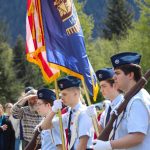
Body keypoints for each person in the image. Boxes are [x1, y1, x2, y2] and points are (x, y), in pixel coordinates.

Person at [94, 52, 150, 150]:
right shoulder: (128, 99)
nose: (114, 77)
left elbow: (137, 137)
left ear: (130, 75)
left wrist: (108, 145)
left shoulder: (138, 100)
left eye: (118, 73)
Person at [40, 76, 94, 150]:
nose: (61, 98)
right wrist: (54, 110)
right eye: (61, 94)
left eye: (64, 94)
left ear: (76, 94)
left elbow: (82, 145)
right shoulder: (69, 113)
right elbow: (45, 126)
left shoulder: (84, 112)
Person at [87, 68, 123, 137]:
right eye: (101, 87)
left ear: (115, 85)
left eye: (104, 86)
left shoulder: (124, 104)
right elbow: (101, 132)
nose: (101, 90)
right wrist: (93, 117)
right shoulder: (108, 108)